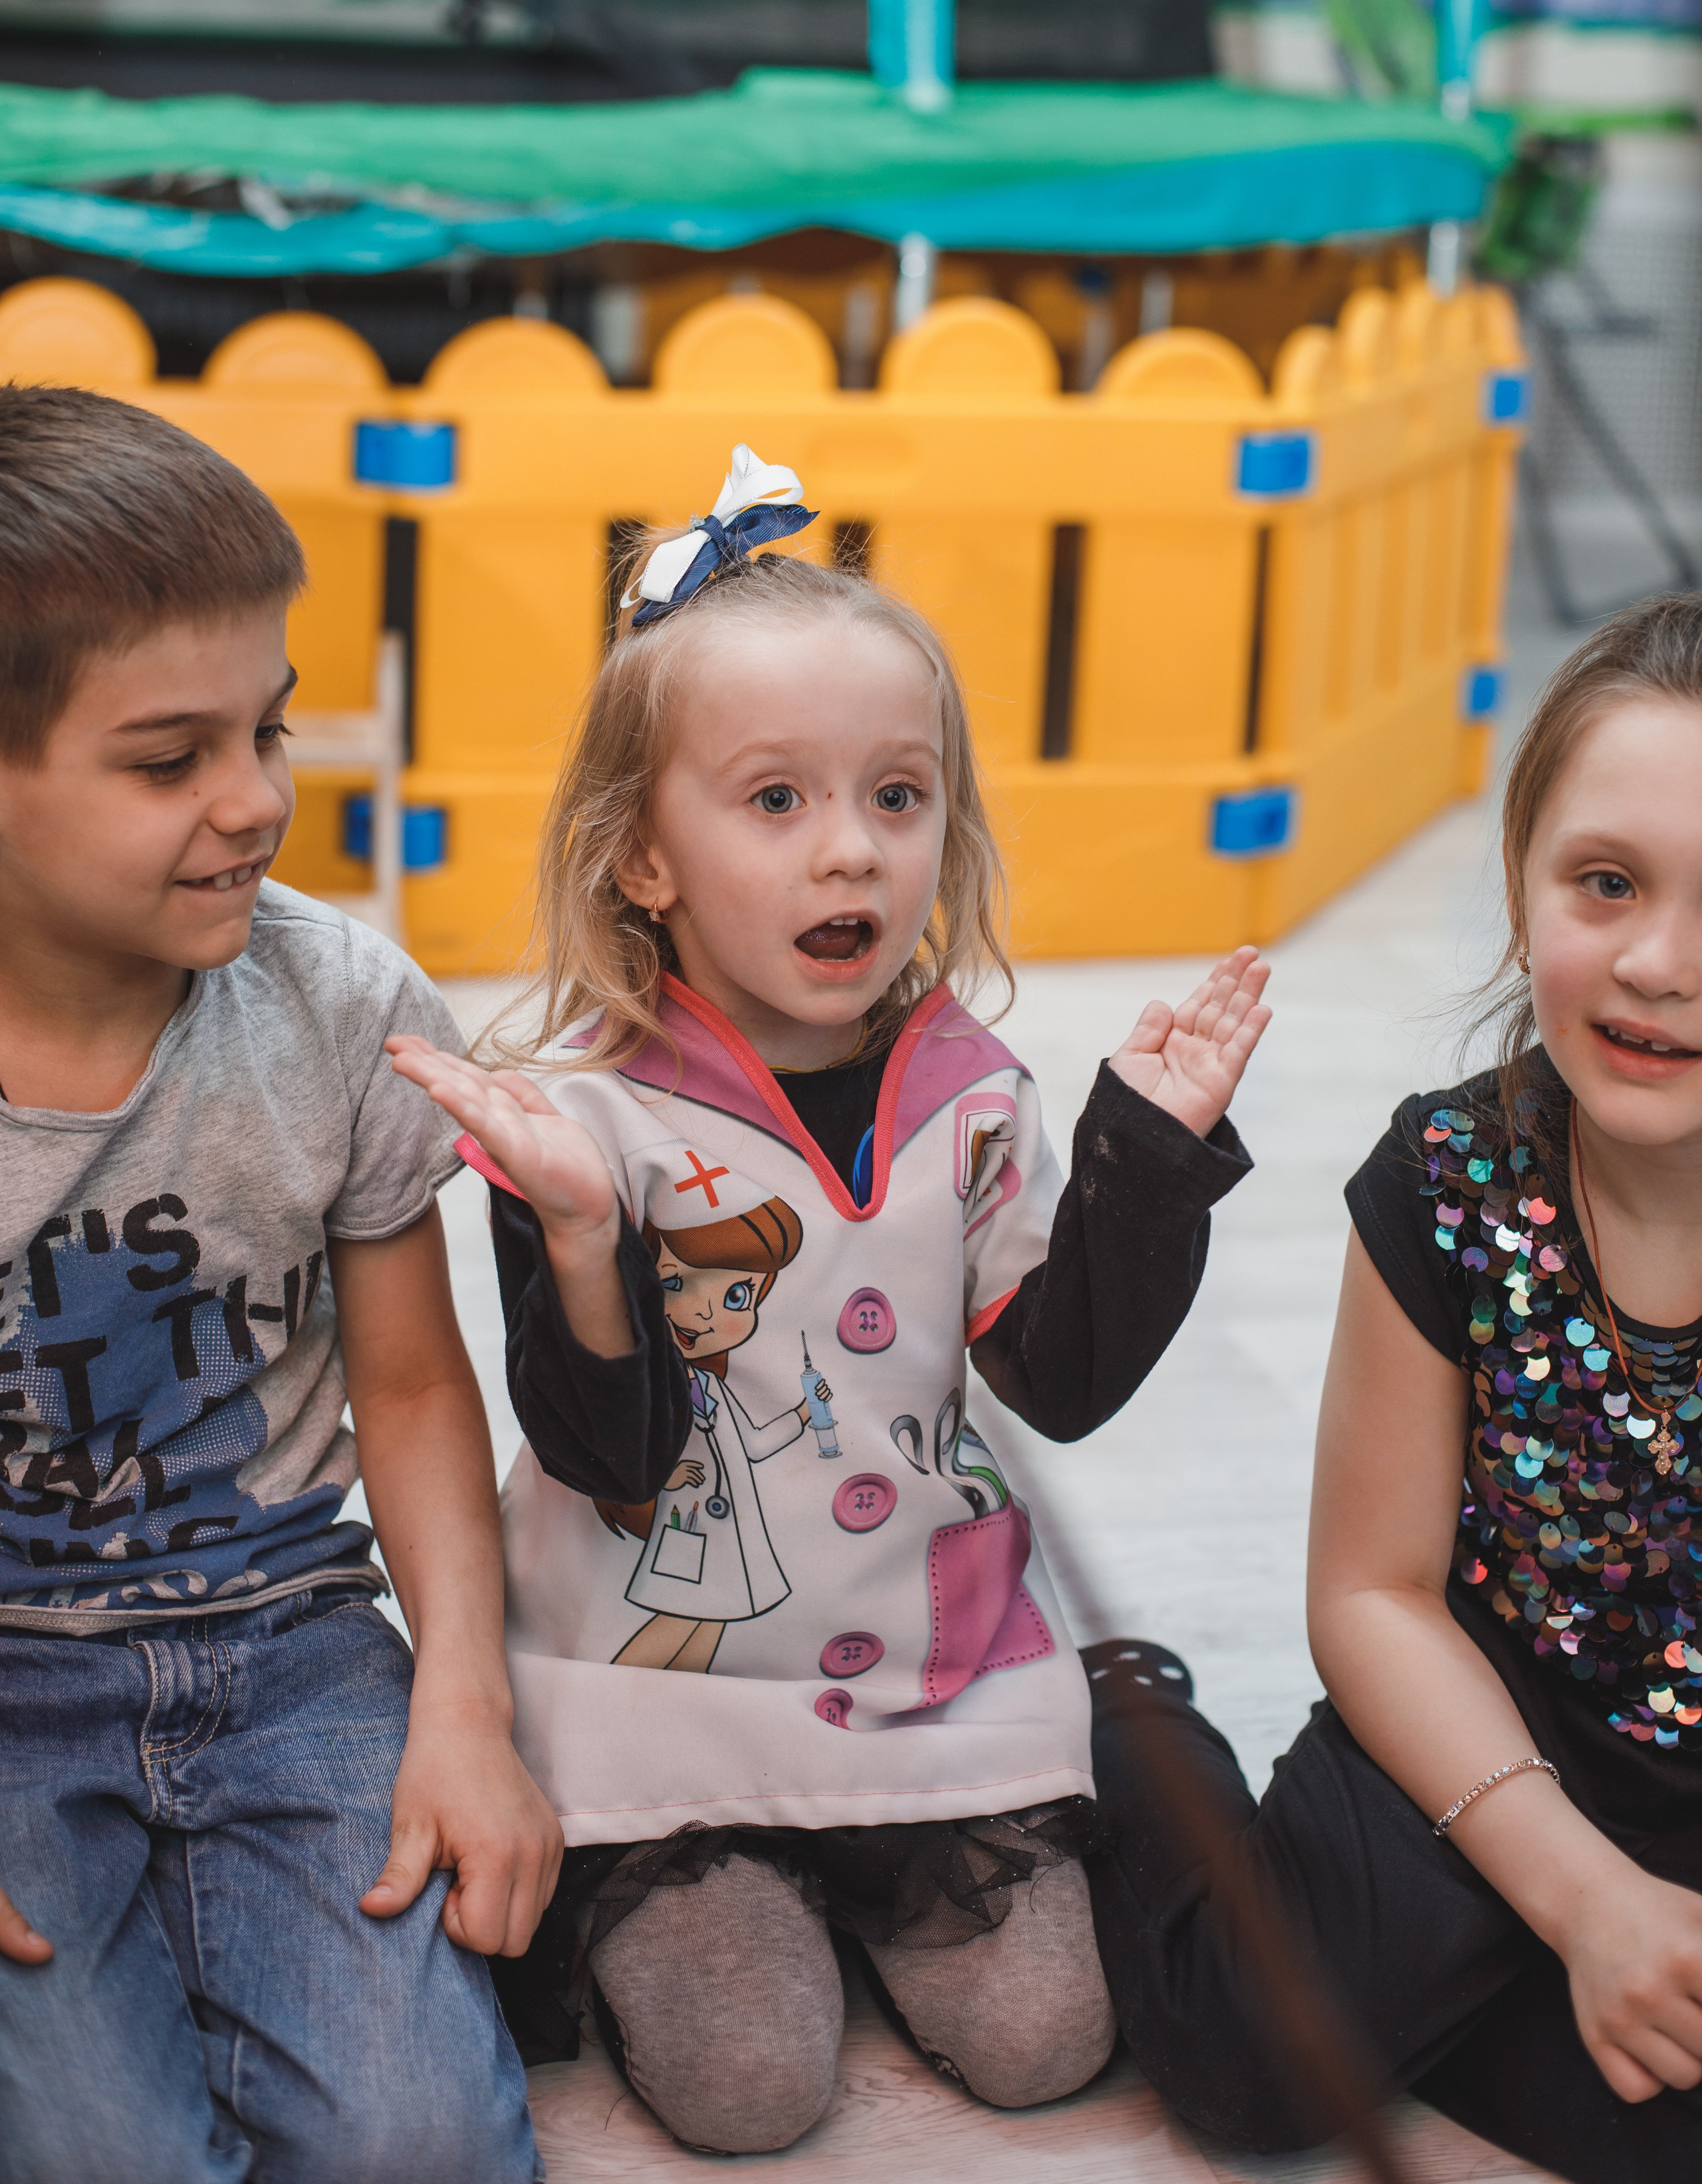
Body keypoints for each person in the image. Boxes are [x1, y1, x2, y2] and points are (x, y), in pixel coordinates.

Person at [388, 445, 1271, 2155]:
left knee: (1046, 2046)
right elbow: (608, 1457)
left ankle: (1112, 1705)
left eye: (897, 795)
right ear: (642, 859)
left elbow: (1059, 1379)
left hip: (932, 1680)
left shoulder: (979, 1089)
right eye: (775, 801)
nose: (851, 853)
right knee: (747, 2093)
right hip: (660, 1693)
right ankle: (739, 1882)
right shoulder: (576, 1122)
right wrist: (582, 1240)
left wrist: (1143, 1163)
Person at [0, 386, 559, 2184]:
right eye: (170, 760)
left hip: (291, 1646)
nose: (256, 800)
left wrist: (464, 1711)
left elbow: (406, 1390)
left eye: (272, 728)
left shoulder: (339, 1003)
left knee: (424, 2152)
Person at [1087, 590, 1702, 2184]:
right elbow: (1372, 1592)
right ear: (1518, 892)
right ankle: (1126, 1716)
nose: (1657, 963)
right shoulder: (1450, 1177)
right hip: (1474, 1716)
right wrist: (1572, 1892)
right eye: (1604, 884)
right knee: (1247, 2059)